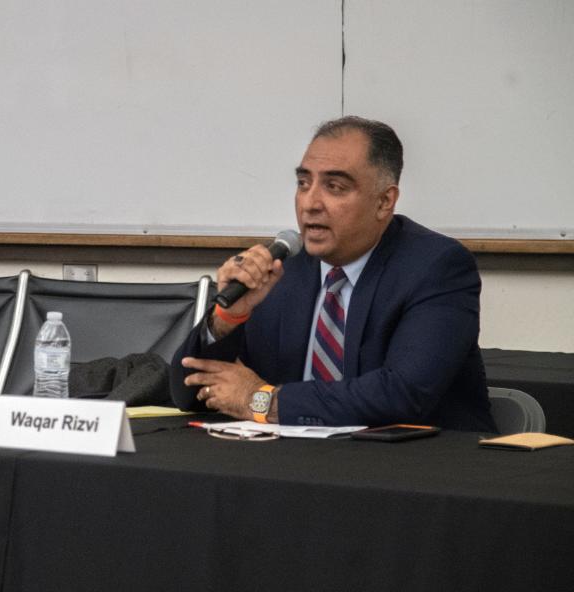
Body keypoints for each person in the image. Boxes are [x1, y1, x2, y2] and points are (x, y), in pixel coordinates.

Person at [170, 116, 496, 431]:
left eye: (334, 186)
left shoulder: (435, 267)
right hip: (293, 463)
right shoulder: (281, 269)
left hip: (417, 471)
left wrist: (262, 401)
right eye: (303, 183)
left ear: (384, 201)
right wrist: (227, 319)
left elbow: (402, 395)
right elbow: (187, 395)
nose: (310, 203)